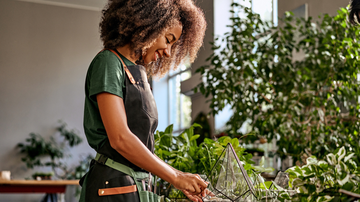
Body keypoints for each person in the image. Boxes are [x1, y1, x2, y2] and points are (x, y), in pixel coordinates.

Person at [79, 0, 207, 202]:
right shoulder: (108, 63)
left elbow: (141, 146)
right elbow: (120, 138)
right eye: (168, 39)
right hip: (113, 188)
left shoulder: (137, 73)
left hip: (135, 186)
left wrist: (179, 177)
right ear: (148, 27)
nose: (168, 51)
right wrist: (175, 176)